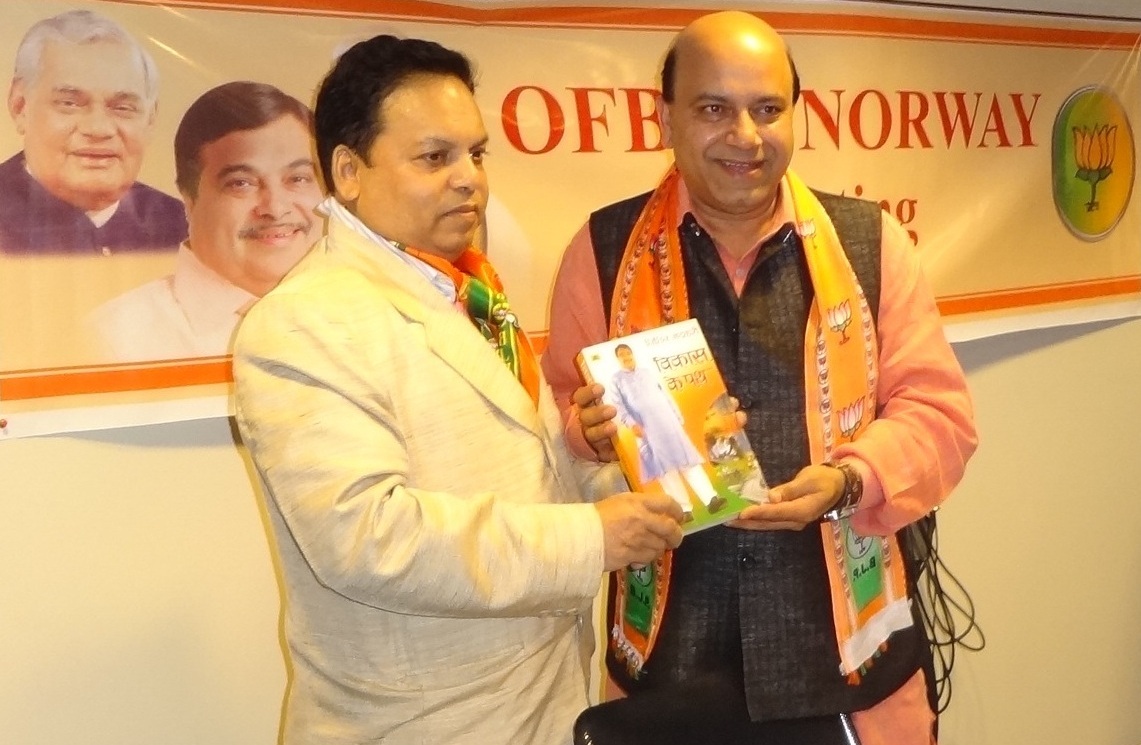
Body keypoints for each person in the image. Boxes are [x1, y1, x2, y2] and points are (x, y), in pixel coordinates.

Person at [231, 35, 684, 745]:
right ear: (347, 171)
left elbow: (517, 480)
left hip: (538, 703)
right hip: (421, 725)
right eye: (434, 157)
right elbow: (367, 538)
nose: (470, 178)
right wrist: (592, 535)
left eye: (476, 153)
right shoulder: (301, 322)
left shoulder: (464, 288)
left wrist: (612, 477)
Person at [543, 11, 978, 745]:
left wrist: (849, 480)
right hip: (669, 662)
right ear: (666, 117)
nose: (744, 136)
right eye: (714, 108)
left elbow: (940, 415)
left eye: (767, 109)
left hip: (845, 662)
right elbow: (557, 405)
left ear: (795, 116)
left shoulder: (871, 243)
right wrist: (582, 431)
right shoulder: (603, 248)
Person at [87, 81, 323, 361]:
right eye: (241, 183)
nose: (275, 207)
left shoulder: (366, 316)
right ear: (188, 197)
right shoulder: (111, 340)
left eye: (298, 179)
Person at [0, 9, 186, 255]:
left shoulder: (185, 229)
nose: (98, 129)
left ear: (150, 119)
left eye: (122, 107)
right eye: (70, 103)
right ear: (20, 106)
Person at [609, 343, 726, 520]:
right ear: (618, 359)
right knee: (666, 471)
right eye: (622, 355)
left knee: (688, 462)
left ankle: (711, 499)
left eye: (628, 353)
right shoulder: (616, 380)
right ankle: (683, 510)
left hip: (669, 424)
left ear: (633, 354)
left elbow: (664, 395)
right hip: (646, 430)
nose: (626, 357)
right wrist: (632, 424)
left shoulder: (647, 372)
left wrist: (677, 415)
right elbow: (619, 407)